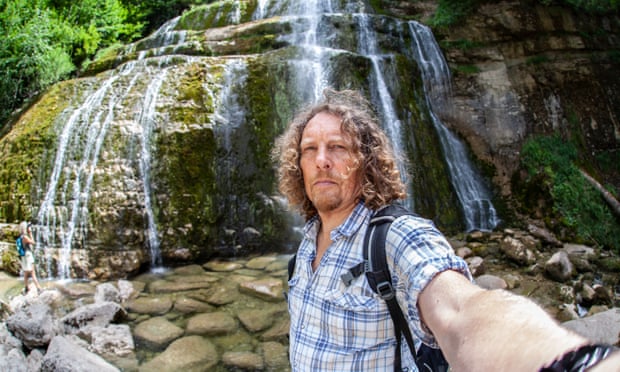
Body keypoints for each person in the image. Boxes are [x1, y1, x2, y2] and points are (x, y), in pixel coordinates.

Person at [273, 88, 619, 371]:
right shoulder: (304, 251)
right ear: (298, 166)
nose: (321, 160)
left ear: (365, 162)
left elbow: (462, 311)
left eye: (337, 147)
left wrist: (571, 363)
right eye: (309, 150)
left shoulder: (395, 236)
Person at [18, 221, 42, 295]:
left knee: (26, 272)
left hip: (24, 256)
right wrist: (30, 232)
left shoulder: (21, 237)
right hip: (28, 255)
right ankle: (39, 288)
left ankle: (26, 287)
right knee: (32, 272)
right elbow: (33, 242)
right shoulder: (25, 237)